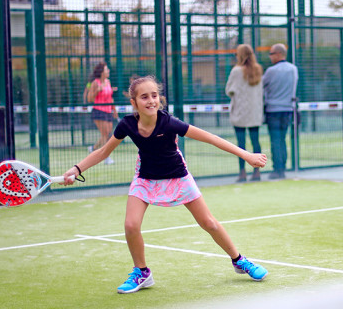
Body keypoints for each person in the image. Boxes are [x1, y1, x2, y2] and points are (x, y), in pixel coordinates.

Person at [61, 76, 269, 294]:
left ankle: (239, 260)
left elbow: (210, 138)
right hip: (145, 178)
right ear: (134, 102)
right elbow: (103, 151)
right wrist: (76, 170)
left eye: (154, 95)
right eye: (144, 97)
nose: (151, 100)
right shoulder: (127, 125)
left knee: (209, 223)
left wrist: (246, 155)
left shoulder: (168, 122)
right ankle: (142, 272)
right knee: (131, 225)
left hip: (178, 176)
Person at [226, 44, 264, 182]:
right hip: (254, 111)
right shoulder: (258, 69)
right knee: (255, 141)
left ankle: (242, 173)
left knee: (240, 144)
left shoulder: (236, 71)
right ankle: (257, 172)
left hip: (240, 112)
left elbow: (229, 90)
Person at [262, 43, 298, 180]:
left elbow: (262, 85)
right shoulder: (293, 69)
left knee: (275, 141)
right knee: (282, 140)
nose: (270, 56)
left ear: (278, 54)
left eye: (271, 53)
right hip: (288, 110)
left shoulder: (271, 71)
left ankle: (277, 169)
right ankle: (282, 168)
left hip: (273, 110)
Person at [85, 61, 119, 164]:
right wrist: (97, 90)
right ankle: (106, 158)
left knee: (108, 134)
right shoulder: (96, 83)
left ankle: (93, 148)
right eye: (106, 69)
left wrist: (114, 110)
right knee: (105, 135)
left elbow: (110, 98)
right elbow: (89, 98)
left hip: (108, 111)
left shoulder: (108, 82)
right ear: (101, 72)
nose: (108, 71)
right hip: (99, 111)